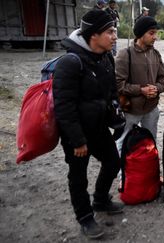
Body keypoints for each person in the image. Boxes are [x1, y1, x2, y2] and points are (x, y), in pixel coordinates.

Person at [52, 9, 123, 239]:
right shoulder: (69, 63)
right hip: (77, 133)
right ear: (94, 34)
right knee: (78, 177)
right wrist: (77, 140)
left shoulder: (106, 58)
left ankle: (101, 200)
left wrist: (116, 119)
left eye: (115, 31)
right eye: (110, 31)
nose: (114, 36)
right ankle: (85, 218)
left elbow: (110, 92)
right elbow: (64, 107)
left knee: (113, 162)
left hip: (99, 128)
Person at [115, 16, 164, 153]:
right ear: (140, 34)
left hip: (151, 108)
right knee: (123, 143)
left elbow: (163, 79)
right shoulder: (125, 54)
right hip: (131, 110)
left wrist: (157, 88)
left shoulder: (155, 54)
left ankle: (149, 173)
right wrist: (141, 90)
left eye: (156, 33)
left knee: (150, 143)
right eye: (151, 33)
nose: (155, 37)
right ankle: (123, 174)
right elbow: (119, 85)